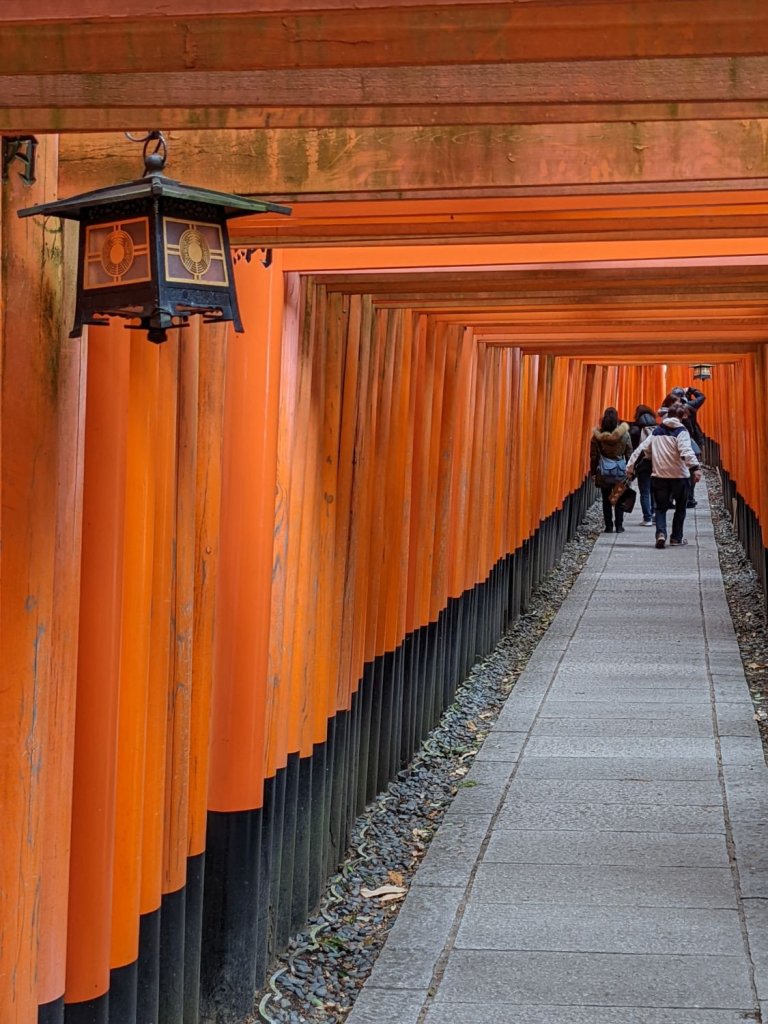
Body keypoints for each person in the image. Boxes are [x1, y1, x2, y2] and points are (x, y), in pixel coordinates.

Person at [626, 401, 702, 549]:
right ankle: (676, 537)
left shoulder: (657, 431)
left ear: (668, 415)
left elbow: (641, 450)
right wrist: (695, 468)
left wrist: (630, 468)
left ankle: (661, 533)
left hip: (659, 476)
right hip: (680, 476)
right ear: (681, 417)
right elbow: (686, 450)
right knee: (680, 508)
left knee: (660, 508)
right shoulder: (681, 432)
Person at [660, 385, 706, 507]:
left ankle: (671, 498)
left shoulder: (665, 411)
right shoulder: (689, 406)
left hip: (671, 443)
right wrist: (692, 389)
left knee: (673, 469)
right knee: (687, 471)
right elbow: (702, 397)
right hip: (689, 440)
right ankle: (688, 498)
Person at [590, 407, 633, 534]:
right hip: (619, 471)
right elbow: (629, 453)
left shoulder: (597, 437)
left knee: (606, 499)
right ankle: (619, 526)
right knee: (618, 497)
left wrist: (593, 473)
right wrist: (630, 470)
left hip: (604, 471)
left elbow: (594, 456)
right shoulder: (624, 435)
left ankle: (608, 526)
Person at [629, 403, 657, 526]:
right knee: (654, 490)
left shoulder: (636, 430)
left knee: (644, 491)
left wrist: (630, 466)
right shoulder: (658, 429)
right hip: (657, 463)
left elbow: (633, 450)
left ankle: (647, 518)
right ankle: (655, 514)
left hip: (643, 463)